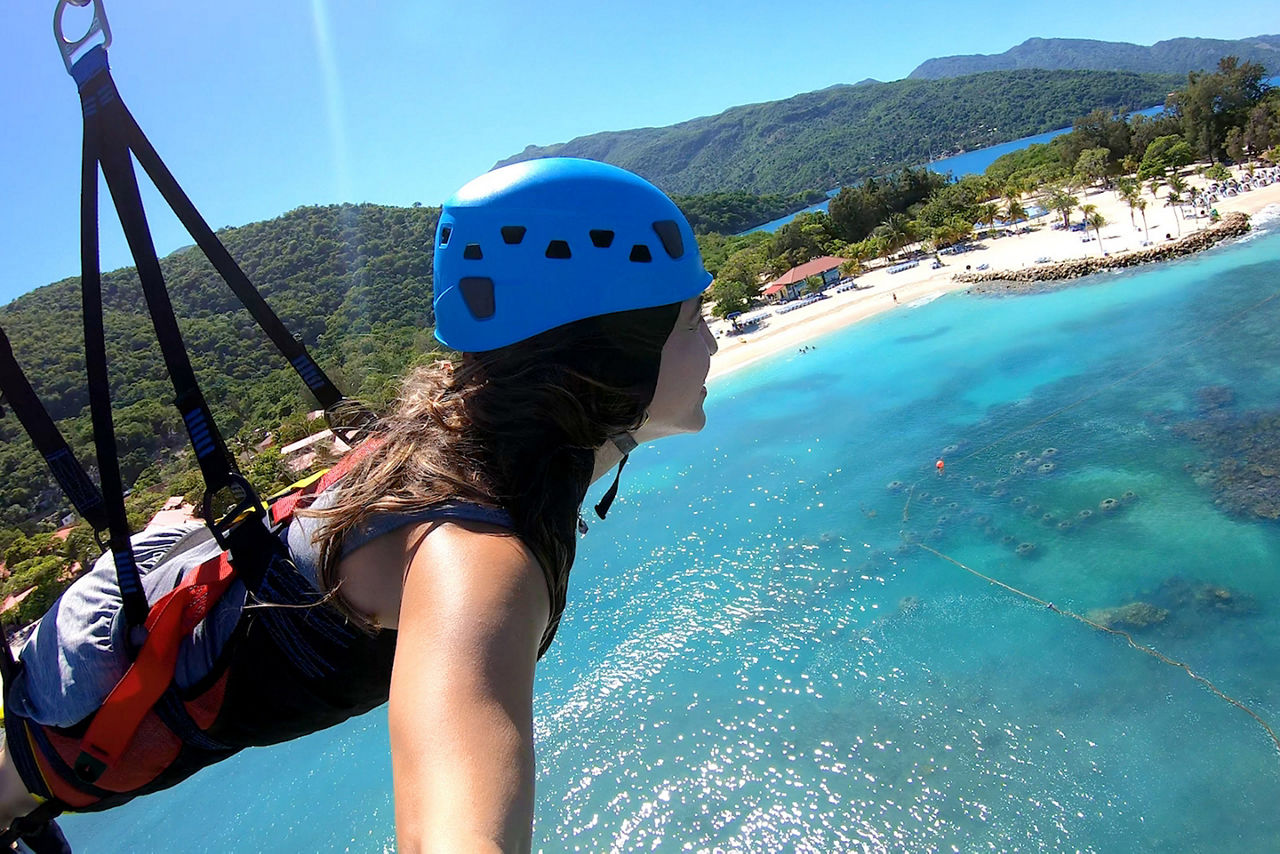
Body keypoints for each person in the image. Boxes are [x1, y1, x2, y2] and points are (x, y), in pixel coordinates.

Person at [0, 158, 717, 851]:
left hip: (166, 586)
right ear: (611, 354)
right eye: (692, 319)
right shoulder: (474, 558)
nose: (713, 340)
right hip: (83, 700)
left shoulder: (476, 429)